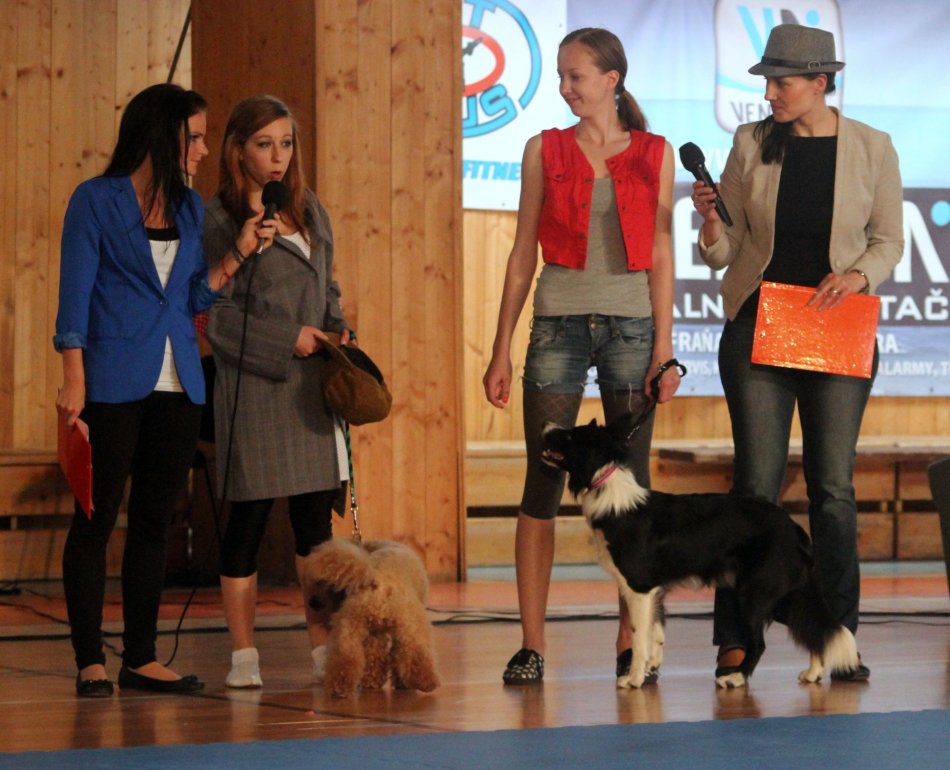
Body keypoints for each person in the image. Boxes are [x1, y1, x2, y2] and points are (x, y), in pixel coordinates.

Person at [692, 24, 904, 687]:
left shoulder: (872, 146)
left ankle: (836, 641)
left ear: (820, 82)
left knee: (832, 492)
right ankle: (736, 639)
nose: (770, 94)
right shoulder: (749, 142)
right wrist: (709, 223)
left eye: (781, 82)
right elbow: (726, 251)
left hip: (835, 329)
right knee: (754, 489)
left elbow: (889, 241)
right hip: (758, 326)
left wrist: (859, 275)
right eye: (767, 83)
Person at [482, 27, 681, 685]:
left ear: (611, 79)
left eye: (576, 76)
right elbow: (521, 253)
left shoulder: (655, 152)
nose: (565, 88)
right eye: (562, 77)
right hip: (557, 324)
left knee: (630, 486)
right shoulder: (543, 148)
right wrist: (501, 348)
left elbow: (662, 253)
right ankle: (531, 644)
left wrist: (663, 346)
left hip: (631, 328)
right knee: (542, 478)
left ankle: (632, 641)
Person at [54, 83, 263, 697]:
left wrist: (237, 256)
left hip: (179, 382)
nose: (203, 149)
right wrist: (73, 379)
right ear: (161, 136)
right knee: (95, 520)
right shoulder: (95, 200)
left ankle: (140, 657)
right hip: (110, 378)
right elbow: (74, 296)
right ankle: (90, 660)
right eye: (193, 137)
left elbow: (192, 296)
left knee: (153, 524)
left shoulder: (190, 208)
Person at [204, 95, 353, 689]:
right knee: (248, 521)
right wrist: (286, 337)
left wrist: (339, 327)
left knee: (315, 528)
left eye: (286, 143)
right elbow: (214, 315)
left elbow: (327, 284)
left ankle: (322, 649)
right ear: (238, 149)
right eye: (264, 144)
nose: (277, 156)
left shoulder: (308, 207)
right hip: (256, 388)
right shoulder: (218, 218)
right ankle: (243, 655)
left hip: (312, 391)